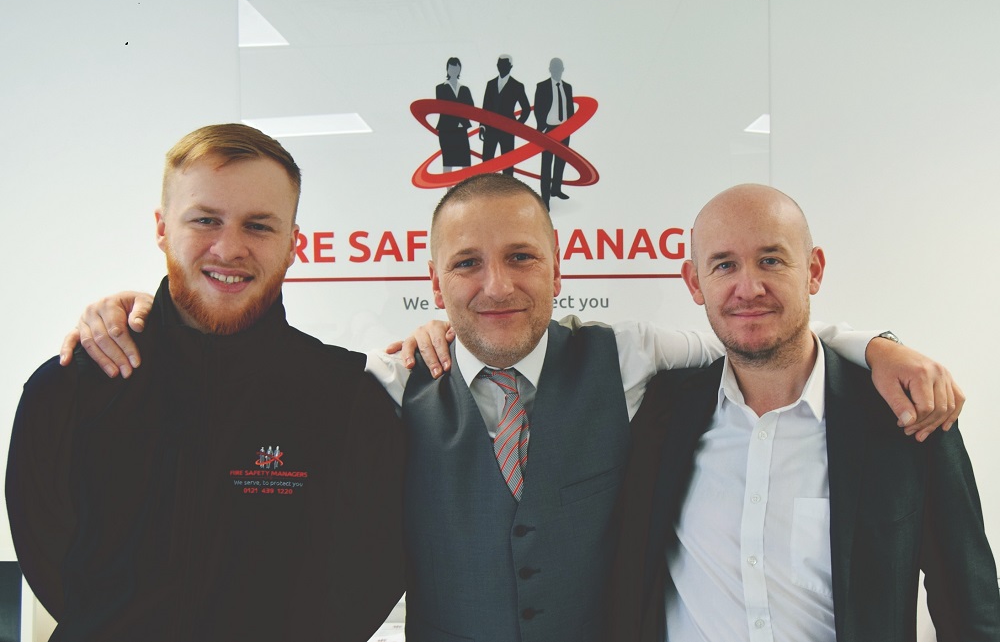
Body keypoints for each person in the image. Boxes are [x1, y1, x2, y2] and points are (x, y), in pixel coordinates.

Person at [61, 174, 963, 642]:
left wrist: (877, 343)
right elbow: (243, 383)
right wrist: (134, 317)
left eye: (523, 258)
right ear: (433, 280)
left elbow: (759, 326)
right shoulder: (384, 390)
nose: (496, 286)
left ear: (561, 266)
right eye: (466, 264)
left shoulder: (633, 356)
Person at [6, 124, 406, 641]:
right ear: (161, 228)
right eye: (205, 220)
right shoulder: (71, 389)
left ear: (293, 245)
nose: (229, 248)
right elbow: (52, 567)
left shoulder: (351, 398)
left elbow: (371, 576)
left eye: (259, 226)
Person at [609, 184, 999, 641]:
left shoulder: (907, 412)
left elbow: (971, 608)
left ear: (813, 270)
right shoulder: (661, 411)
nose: (749, 288)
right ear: (696, 283)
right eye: (724, 265)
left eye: (771, 260)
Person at [534, 57, 574, 208]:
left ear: (563, 70)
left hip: (564, 129)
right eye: (554, 68)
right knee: (546, 164)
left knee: (560, 161)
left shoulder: (568, 87)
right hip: (548, 130)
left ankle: (556, 189)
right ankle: (545, 198)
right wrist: (542, 127)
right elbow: (538, 108)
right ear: (550, 69)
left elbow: (570, 108)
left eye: (559, 69)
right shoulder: (542, 86)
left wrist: (570, 126)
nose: (557, 71)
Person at [480, 55, 531, 175]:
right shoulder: (490, 84)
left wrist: (517, 126)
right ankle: (486, 190)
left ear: (510, 67)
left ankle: (507, 192)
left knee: (507, 165)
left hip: (507, 131)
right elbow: (485, 108)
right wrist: (482, 126)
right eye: (499, 64)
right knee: (487, 162)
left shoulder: (517, 86)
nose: (501, 67)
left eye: (504, 65)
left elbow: (526, 108)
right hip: (490, 129)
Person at [434, 56, 474, 173]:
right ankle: (448, 190)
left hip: (461, 129)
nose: (453, 71)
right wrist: (460, 110)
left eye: (456, 69)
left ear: (459, 70)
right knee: (448, 161)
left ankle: (466, 190)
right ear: (447, 70)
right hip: (447, 129)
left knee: (465, 161)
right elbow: (444, 107)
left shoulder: (465, 89)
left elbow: (470, 107)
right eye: (451, 69)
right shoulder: (440, 88)